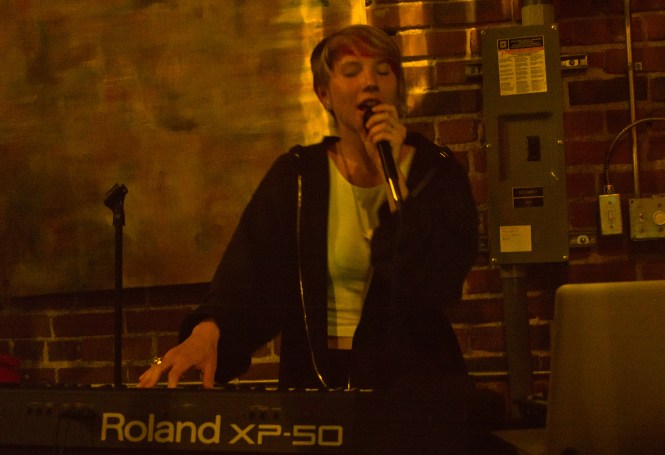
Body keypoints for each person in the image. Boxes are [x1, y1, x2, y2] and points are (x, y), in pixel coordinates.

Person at [137, 24, 478, 392]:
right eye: (352, 71)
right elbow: (249, 277)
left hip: (414, 385)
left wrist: (392, 177)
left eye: (383, 71)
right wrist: (206, 333)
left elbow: (438, 281)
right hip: (318, 383)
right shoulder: (299, 176)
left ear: (397, 88)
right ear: (324, 94)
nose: (370, 82)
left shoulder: (436, 172)